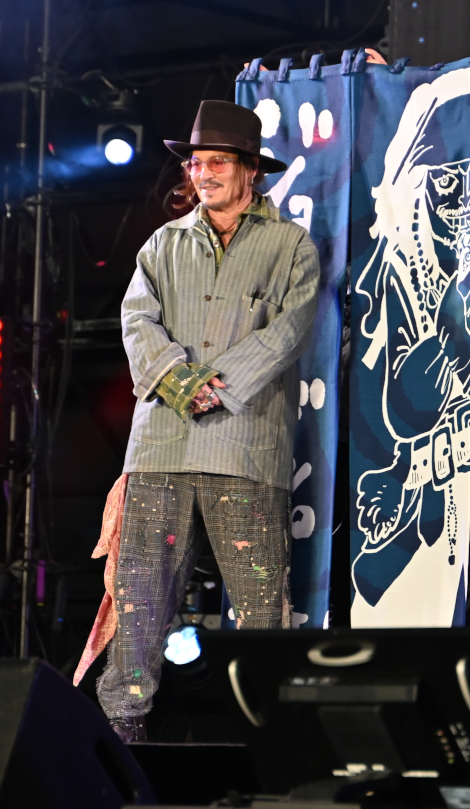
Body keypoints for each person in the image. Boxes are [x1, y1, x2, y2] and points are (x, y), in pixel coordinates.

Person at [97, 100, 319, 742]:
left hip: (244, 452)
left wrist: (217, 388)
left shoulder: (290, 246)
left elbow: (289, 332)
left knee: (260, 612)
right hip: (160, 452)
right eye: (196, 162)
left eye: (218, 161)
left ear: (251, 169)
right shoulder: (162, 244)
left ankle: (272, 744)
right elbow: (136, 322)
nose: (204, 173)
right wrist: (181, 383)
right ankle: (120, 742)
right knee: (140, 607)